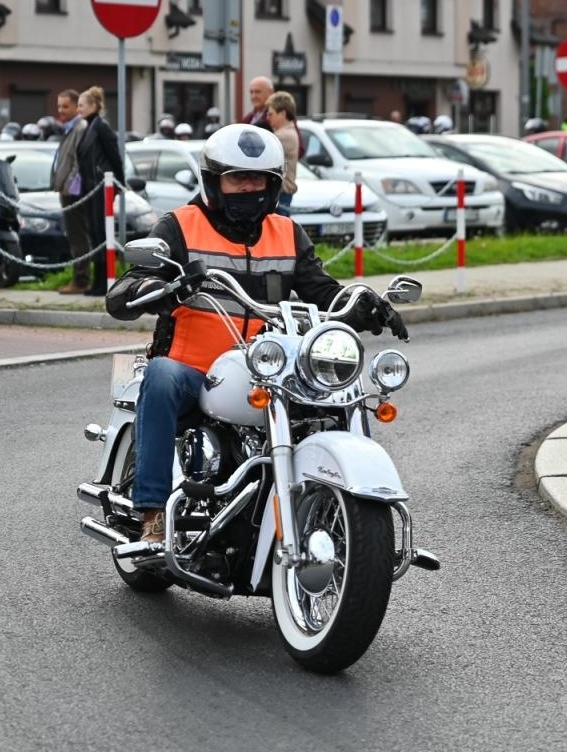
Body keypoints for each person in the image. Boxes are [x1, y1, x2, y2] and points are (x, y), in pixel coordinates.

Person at [105, 123, 406, 543]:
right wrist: (153, 288)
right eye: (237, 179)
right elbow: (123, 290)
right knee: (159, 376)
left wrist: (364, 305)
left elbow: (322, 291)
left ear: (272, 184)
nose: (248, 188)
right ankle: (152, 513)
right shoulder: (180, 226)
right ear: (214, 181)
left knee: (338, 394)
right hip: (193, 370)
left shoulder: (286, 231)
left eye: (258, 180)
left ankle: (358, 522)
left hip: (269, 368)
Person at [73, 86, 122, 296]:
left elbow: (114, 155)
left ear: (93, 106)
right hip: (92, 187)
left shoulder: (101, 127)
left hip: (101, 187)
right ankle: (98, 281)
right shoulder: (89, 126)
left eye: (82, 105)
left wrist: (118, 183)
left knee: (101, 233)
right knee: (95, 233)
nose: (79, 109)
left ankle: (103, 282)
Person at [52, 88, 91, 295]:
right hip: (68, 190)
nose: (61, 110)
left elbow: (77, 162)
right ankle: (80, 277)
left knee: (78, 236)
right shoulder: (70, 128)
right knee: (75, 236)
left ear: (77, 107)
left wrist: (69, 186)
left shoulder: (79, 128)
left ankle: (81, 279)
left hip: (74, 192)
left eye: (65, 106)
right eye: (59, 106)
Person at [266, 91, 302, 215]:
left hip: (280, 194)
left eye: (271, 114)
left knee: (278, 232)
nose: (268, 118)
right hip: (281, 194)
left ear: (282, 113)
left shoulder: (283, 136)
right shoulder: (288, 132)